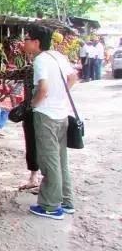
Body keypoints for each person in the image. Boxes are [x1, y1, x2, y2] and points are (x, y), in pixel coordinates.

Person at [26, 26, 78, 220]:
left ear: (36, 42)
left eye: (27, 39)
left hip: (46, 115)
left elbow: (43, 88)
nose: (24, 42)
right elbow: (73, 77)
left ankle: (50, 206)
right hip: (61, 114)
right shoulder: (58, 56)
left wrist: (33, 104)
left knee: (49, 161)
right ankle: (66, 201)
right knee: (61, 159)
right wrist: (60, 95)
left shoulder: (40, 60)